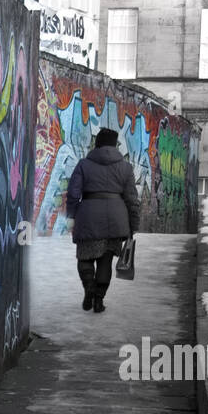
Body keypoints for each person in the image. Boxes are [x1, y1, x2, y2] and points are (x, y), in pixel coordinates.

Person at [65, 129, 140, 313]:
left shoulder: (84, 165)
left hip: (88, 217)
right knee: (105, 260)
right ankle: (99, 300)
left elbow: (74, 194)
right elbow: (132, 199)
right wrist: (133, 224)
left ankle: (89, 288)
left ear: (97, 143)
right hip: (116, 219)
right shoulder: (126, 167)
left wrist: (71, 216)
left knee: (85, 256)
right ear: (115, 145)